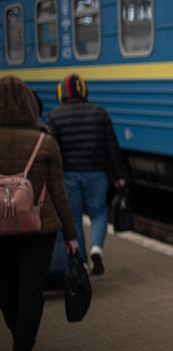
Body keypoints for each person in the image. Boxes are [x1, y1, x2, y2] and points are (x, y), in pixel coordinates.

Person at [0, 75, 79, 351]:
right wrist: (72, 236)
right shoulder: (44, 142)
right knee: (32, 291)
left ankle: (18, 337)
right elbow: (59, 193)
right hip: (39, 227)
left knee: (6, 288)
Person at [47, 73, 127, 274]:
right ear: (84, 91)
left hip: (69, 175)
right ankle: (97, 248)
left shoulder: (55, 116)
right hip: (96, 173)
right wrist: (119, 175)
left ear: (61, 93)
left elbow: (53, 151)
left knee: (74, 218)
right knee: (99, 213)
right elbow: (112, 147)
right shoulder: (99, 113)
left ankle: (81, 262)